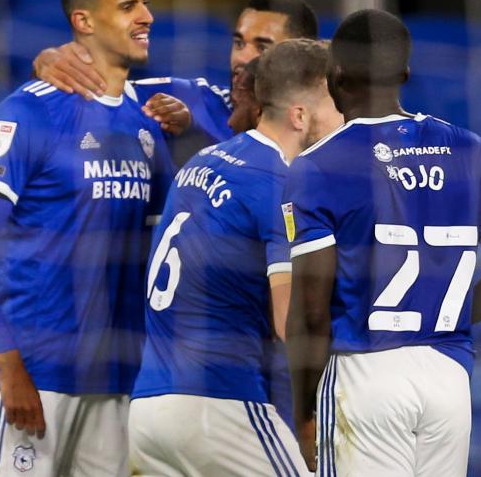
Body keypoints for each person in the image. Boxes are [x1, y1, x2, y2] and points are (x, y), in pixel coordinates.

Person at [283, 10, 481, 476]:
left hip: (365, 374)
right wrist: (454, 315)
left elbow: (310, 310)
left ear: (334, 74)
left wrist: (302, 408)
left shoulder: (318, 165)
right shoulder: (468, 149)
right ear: (404, 73)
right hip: (448, 377)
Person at [0, 0, 175, 476]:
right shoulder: (28, 112)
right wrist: (9, 368)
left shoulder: (147, 126)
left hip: (116, 380)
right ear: (84, 21)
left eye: (147, 4)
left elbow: (161, 246)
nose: (147, 17)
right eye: (129, 6)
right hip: (34, 377)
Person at [128, 39, 344, 477]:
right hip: (219, 407)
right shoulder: (282, 183)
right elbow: (290, 325)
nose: (343, 119)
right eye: (334, 105)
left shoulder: (202, 161)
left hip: (149, 409)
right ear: (299, 114)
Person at [32, 0, 319, 165]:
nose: (242, 58)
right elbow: (102, 89)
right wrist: (50, 61)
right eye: (238, 43)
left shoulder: (325, 134)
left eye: (262, 46)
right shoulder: (195, 99)